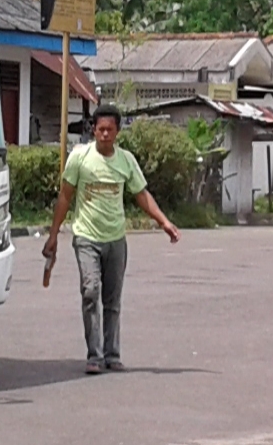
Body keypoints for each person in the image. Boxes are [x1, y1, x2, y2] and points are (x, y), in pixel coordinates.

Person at [40, 105, 181, 374]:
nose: (105, 134)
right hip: (86, 237)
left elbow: (141, 194)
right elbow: (65, 197)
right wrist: (53, 235)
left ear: (117, 131)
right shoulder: (80, 158)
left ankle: (112, 355)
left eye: (110, 130)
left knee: (112, 300)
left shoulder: (125, 161)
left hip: (116, 239)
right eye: (100, 129)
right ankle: (94, 355)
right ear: (93, 129)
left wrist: (164, 222)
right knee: (90, 292)